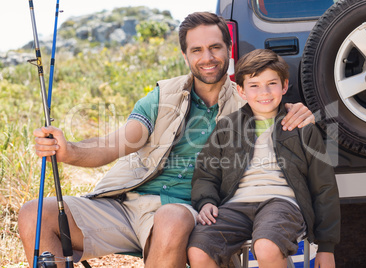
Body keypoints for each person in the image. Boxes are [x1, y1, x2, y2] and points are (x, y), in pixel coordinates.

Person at [18, 12, 314, 268]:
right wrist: (68, 150)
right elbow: (119, 142)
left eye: (215, 47)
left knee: (171, 217)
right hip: (127, 205)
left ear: (229, 48)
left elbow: (285, 118)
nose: (207, 58)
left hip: (189, 211)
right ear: (185, 55)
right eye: (196, 50)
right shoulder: (162, 97)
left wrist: (301, 113)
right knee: (34, 214)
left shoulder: (249, 101)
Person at [187, 49, 340, 268]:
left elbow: (324, 187)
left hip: (282, 203)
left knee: (267, 246)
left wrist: (326, 247)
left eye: (272, 83)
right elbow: (206, 173)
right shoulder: (226, 127)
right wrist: (207, 201)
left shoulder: (300, 127)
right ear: (241, 90)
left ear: (284, 86)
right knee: (199, 250)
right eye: (254, 85)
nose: (264, 92)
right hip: (235, 206)